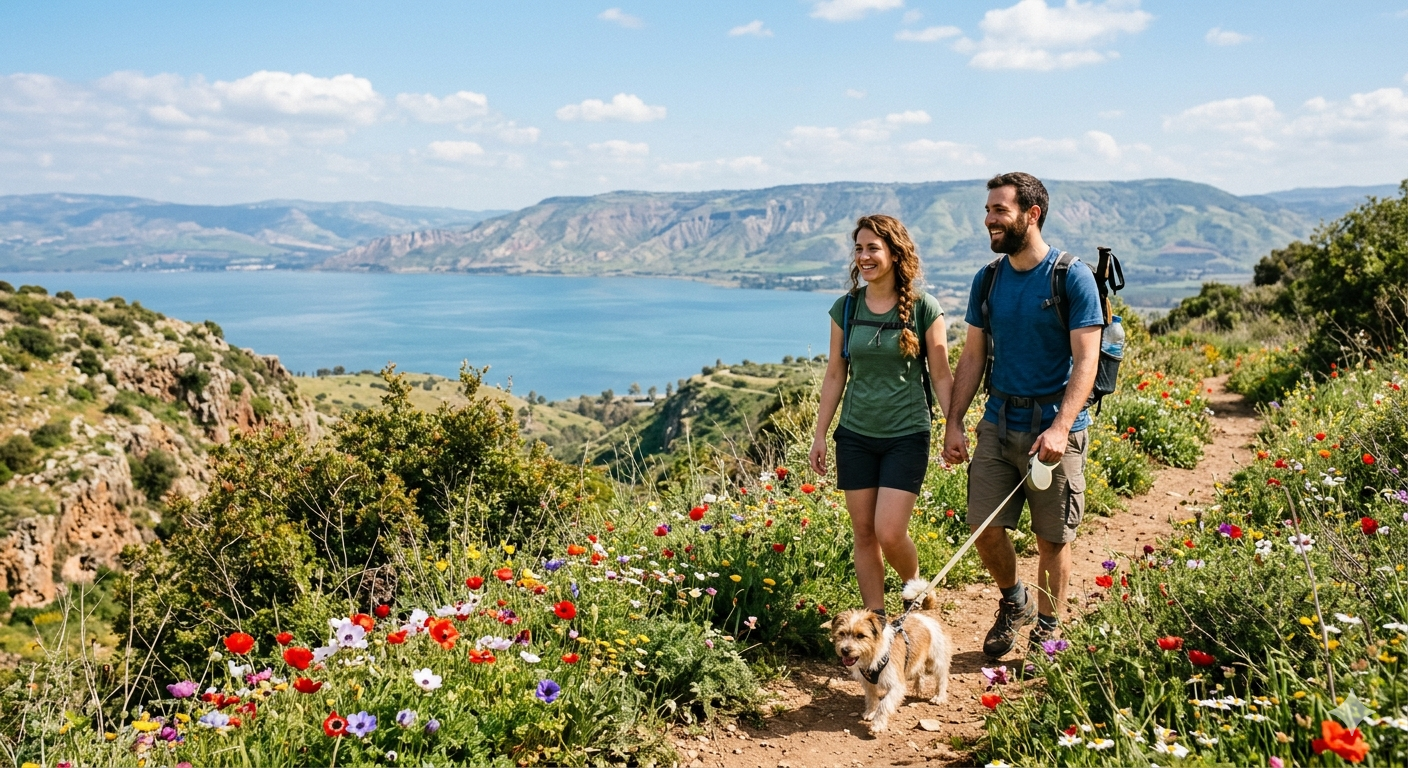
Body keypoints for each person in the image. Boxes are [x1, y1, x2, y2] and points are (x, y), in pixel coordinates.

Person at [942, 172, 1103, 658]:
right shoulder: (987, 279)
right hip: (997, 421)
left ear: (1031, 215)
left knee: (1051, 539)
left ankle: (1049, 628)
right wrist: (953, 421)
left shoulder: (1070, 276)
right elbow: (973, 356)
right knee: (983, 528)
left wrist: (1060, 427)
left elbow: (1087, 359)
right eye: (988, 211)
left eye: (999, 211)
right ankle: (1015, 602)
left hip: (1055, 430)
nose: (989, 220)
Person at [810, 214, 953, 616]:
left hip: (906, 434)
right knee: (864, 533)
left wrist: (953, 427)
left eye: (873, 247)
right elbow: (835, 374)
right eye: (859, 249)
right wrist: (820, 434)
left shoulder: (925, 308)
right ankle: (875, 620)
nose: (864, 256)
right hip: (855, 435)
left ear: (894, 251)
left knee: (890, 532)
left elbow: (941, 375)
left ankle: (916, 593)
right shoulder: (847, 307)